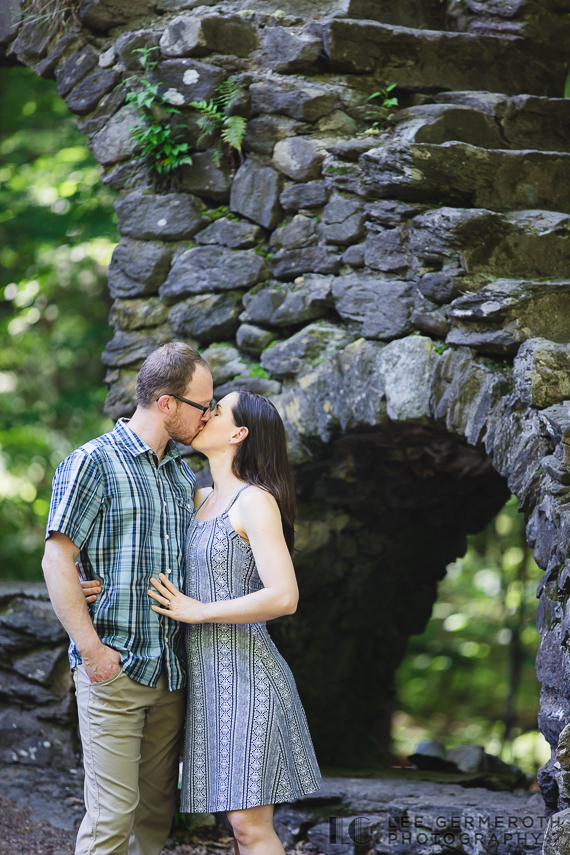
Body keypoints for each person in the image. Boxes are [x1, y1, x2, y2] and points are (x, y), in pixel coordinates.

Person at [42, 342, 214, 855]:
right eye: (201, 406)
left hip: (170, 675)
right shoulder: (92, 462)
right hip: (113, 670)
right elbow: (57, 559)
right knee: (111, 823)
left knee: (154, 818)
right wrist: (93, 652)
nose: (207, 416)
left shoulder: (182, 475)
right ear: (166, 403)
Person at [146, 390, 323, 855]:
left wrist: (199, 611)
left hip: (250, 677)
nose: (205, 415)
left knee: (248, 827)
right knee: (237, 824)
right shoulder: (197, 496)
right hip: (206, 685)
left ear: (238, 433)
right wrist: (96, 584)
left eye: (217, 410)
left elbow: (285, 596)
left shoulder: (255, 501)